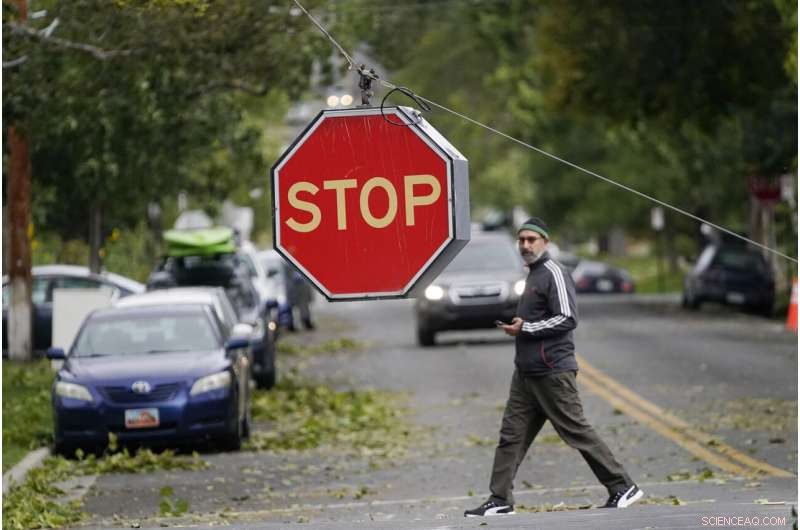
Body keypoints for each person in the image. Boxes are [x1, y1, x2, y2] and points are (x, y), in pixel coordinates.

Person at [464, 217, 642, 518]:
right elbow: (534, 319)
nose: (525, 245)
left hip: (552, 370)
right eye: (521, 240)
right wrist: (519, 326)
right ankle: (499, 499)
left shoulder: (553, 272)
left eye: (532, 240)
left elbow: (568, 318)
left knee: (576, 431)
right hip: (525, 373)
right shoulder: (532, 274)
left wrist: (527, 328)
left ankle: (622, 486)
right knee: (511, 436)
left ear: (545, 242)